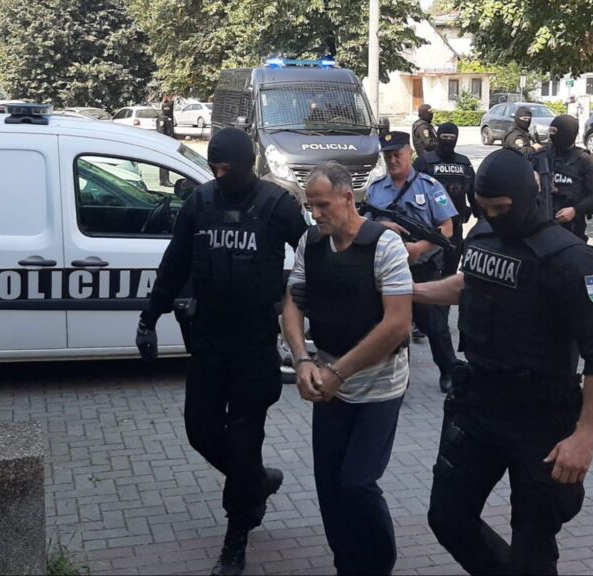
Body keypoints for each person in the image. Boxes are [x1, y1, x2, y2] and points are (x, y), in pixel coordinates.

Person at [415, 148, 593, 575]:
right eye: (484, 208)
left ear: (527, 197)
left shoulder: (572, 261)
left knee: (533, 545)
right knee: (448, 518)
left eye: (501, 208)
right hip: (479, 404)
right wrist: (410, 292)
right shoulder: (482, 235)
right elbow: (467, 285)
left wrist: (586, 437)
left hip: (541, 417)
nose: (492, 216)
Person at [135, 128, 307, 576]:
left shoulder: (278, 206)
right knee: (200, 431)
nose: (219, 175)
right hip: (209, 342)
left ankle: (236, 540)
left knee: (245, 442)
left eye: (226, 168)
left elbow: (313, 257)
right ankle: (258, 481)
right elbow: (174, 263)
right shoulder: (200, 203)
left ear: (246, 165)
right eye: (213, 167)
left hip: (254, 346)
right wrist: (148, 318)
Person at [283, 161, 413, 576]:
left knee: (357, 483)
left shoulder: (384, 246)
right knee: (330, 485)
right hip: (328, 384)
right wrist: (302, 359)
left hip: (379, 386)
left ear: (346, 198)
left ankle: (379, 564)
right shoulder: (311, 243)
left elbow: (397, 324)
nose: (315, 214)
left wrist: (338, 372)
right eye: (310, 205)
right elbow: (292, 304)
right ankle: (347, 565)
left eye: (322, 205)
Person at [366, 131, 459, 393]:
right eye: (388, 156)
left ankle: (449, 371)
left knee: (434, 325)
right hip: (387, 270)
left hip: (423, 267)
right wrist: (383, 226)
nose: (393, 160)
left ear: (410, 153)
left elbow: (447, 228)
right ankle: (399, 376)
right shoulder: (375, 189)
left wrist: (419, 248)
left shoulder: (430, 186)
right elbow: (365, 225)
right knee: (394, 324)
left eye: (397, 154)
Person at [414, 122, 477, 274]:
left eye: (451, 137)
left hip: (456, 227)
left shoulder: (464, 163)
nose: (448, 141)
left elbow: (473, 193)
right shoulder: (424, 162)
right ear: (438, 137)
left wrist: (481, 217)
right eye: (444, 137)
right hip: (429, 227)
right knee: (427, 272)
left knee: (451, 271)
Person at [548, 115, 593, 242]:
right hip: (541, 226)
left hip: (571, 230)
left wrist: (575, 210)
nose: (551, 135)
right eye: (550, 131)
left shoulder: (585, 161)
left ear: (567, 133)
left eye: (555, 131)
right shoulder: (542, 156)